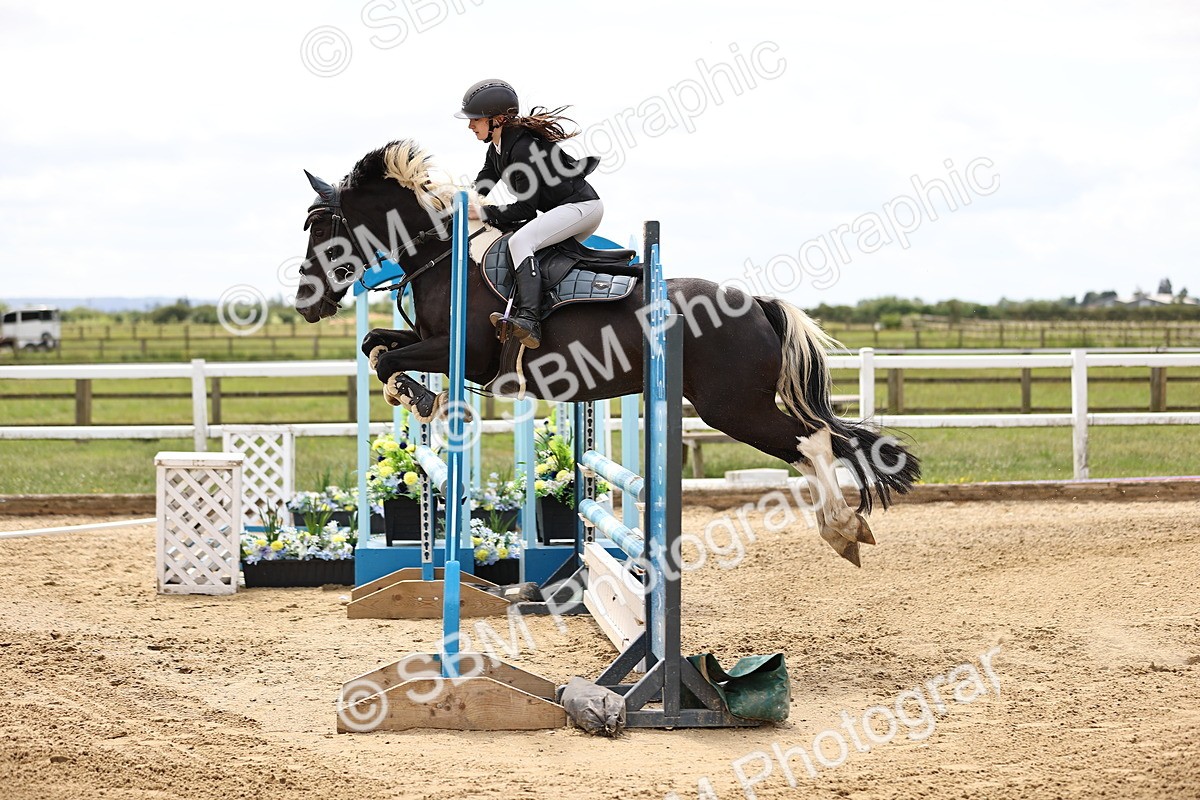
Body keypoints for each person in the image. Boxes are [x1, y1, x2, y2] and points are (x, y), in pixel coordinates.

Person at [457, 79, 602, 349]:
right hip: (566, 209)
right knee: (523, 242)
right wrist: (453, 202)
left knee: (520, 241)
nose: (470, 125)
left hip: (582, 209)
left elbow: (525, 210)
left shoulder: (522, 150)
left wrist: (483, 212)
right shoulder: (497, 149)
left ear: (498, 120)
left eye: (476, 119)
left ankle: (529, 321)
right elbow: (482, 187)